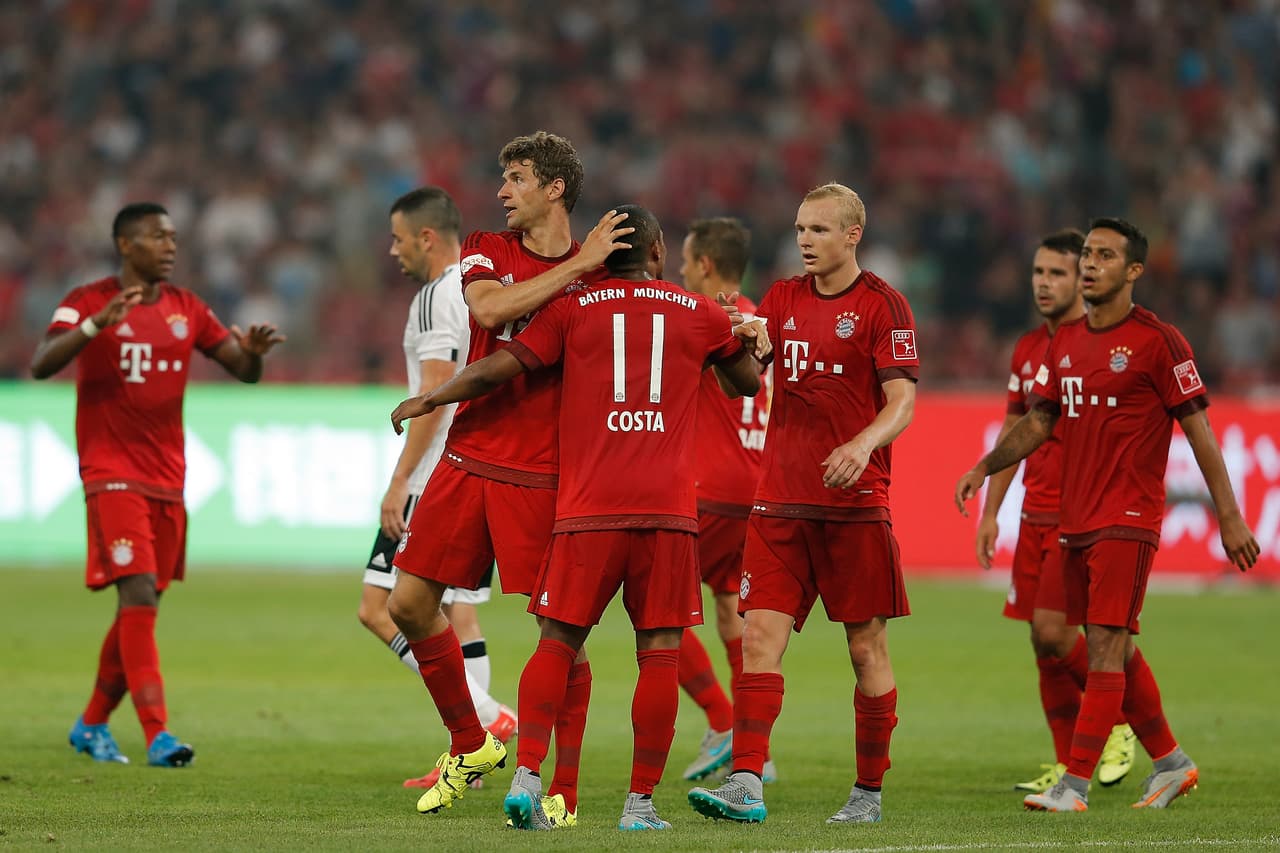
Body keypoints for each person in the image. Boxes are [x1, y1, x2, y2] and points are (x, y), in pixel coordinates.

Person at [391, 204, 771, 831]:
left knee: (559, 639)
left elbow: (499, 367)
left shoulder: (573, 308)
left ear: (604, 257)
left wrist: (432, 396)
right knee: (659, 652)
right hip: (668, 510)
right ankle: (637, 805)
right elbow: (748, 384)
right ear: (655, 255)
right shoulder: (699, 314)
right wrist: (751, 337)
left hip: (587, 505)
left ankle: (528, 775)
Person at [955, 217, 1260, 813]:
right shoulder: (1063, 343)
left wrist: (1230, 516)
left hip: (1129, 516)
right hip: (1075, 519)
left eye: (1104, 256)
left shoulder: (1159, 341)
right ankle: (1170, 762)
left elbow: (1199, 431)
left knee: (1102, 645)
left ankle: (1073, 785)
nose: (1090, 265)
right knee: (1104, 646)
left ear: (1134, 271)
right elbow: (1039, 422)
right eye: (1087, 255)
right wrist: (985, 466)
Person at [384, 131, 633, 819]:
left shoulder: (608, 274)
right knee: (406, 603)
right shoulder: (489, 249)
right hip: (470, 456)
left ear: (555, 188)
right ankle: (473, 743)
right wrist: (578, 264)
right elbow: (491, 310)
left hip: (548, 474)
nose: (501, 192)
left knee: (562, 637)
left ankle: (566, 789)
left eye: (517, 178)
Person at [688, 183, 918, 825]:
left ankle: (867, 793)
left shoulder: (883, 306)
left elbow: (901, 400)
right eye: (799, 230)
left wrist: (863, 443)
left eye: (818, 230)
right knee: (758, 635)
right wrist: (747, 344)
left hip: (853, 503)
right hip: (780, 501)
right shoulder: (784, 299)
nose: (805, 241)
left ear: (852, 235)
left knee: (865, 648)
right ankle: (747, 783)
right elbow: (753, 376)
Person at [31, 202, 284, 768]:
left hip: (168, 479)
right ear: (126, 245)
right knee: (138, 594)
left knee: (139, 608)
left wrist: (255, 356)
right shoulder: (86, 302)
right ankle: (158, 734)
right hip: (110, 471)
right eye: (157, 237)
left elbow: (240, 370)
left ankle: (91, 723)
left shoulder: (186, 308)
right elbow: (42, 363)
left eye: (173, 237)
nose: (170, 246)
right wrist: (98, 325)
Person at [358, 187, 515, 789]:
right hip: (479, 471)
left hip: (434, 480)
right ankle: (472, 756)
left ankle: (483, 722)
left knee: (381, 608)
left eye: (398, 238)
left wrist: (399, 482)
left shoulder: (434, 298)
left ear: (426, 237)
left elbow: (433, 394)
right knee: (460, 616)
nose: (393, 250)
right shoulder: (484, 291)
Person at [974, 229, 1136, 794]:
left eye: (1058, 273)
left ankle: (1117, 723)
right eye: (1039, 273)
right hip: (1034, 514)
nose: (1045, 283)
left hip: (1080, 516)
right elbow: (1017, 428)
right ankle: (1069, 761)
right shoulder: (1025, 348)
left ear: (1083, 278)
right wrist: (993, 511)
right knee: (1043, 643)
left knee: (1067, 633)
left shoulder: (1091, 344)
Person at [675, 217, 775, 784]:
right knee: (732, 613)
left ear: (706, 266)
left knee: (657, 609)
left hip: (708, 490)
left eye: (687, 263)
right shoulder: (764, 318)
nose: (682, 272)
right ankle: (754, 745)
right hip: (756, 488)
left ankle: (722, 722)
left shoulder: (706, 319)